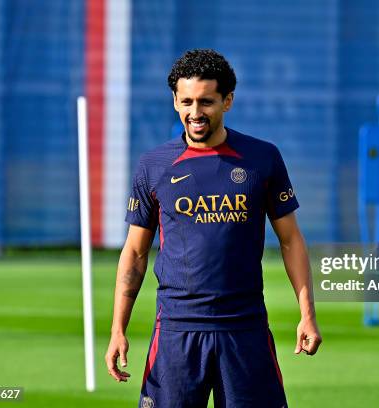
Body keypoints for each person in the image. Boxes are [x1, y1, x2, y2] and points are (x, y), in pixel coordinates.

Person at [105, 48, 322, 408]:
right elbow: (135, 252)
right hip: (176, 330)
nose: (195, 112)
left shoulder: (262, 158)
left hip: (245, 329)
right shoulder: (154, 164)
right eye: (186, 101)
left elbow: (291, 240)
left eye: (206, 102)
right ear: (175, 102)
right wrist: (118, 329)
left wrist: (307, 315)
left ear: (227, 102)